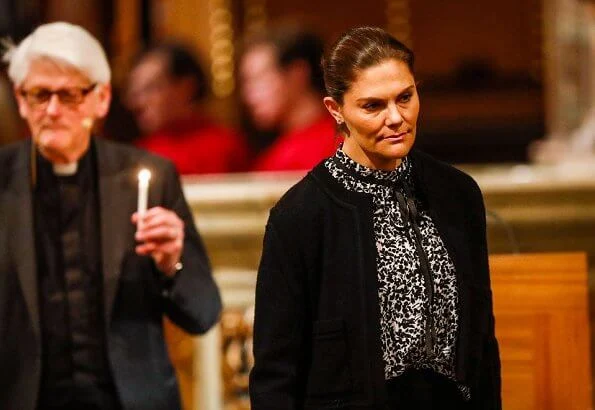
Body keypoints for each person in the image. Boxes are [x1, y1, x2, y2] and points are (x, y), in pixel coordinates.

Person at [249, 26, 501, 409]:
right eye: (373, 106)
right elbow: (276, 370)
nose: (396, 117)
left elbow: (482, 341)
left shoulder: (458, 194)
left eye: (405, 97)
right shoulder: (300, 216)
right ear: (336, 110)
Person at [0, 22, 221, 410]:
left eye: (69, 95)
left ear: (101, 99)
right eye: (39, 94)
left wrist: (172, 262)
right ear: (20, 99)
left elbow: (203, 312)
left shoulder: (150, 177)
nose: (52, 110)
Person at [126, 42, 249, 174]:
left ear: (186, 88)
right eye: (135, 92)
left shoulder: (226, 147)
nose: (138, 102)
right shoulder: (138, 154)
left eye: (150, 88)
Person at [239, 24, 338, 172]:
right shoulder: (281, 149)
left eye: (259, 79)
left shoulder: (334, 145)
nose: (249, 96)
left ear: (296, 74)